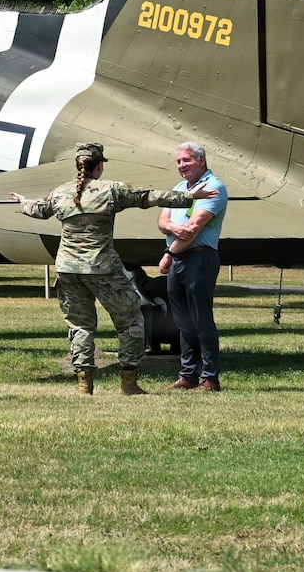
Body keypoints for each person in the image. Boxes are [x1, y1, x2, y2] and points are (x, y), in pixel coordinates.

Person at [15, 142, 209, 395]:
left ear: (77, 165)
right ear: (100, 166)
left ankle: (85, 385)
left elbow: (39, 210)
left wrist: (22, 202)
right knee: (130, 322)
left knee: (81, 327)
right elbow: (146, 197)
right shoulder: (111, 190)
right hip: (102, 268)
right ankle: (128, 383)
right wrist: (189, 197)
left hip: (68, 270)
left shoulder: (60, 192)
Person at [157, 141, 230, 392]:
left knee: (202, 320)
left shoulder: (214, 188)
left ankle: (210, 378)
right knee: (183, 322)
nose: (182, 165)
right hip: (179, 260)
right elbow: (162, 220)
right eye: (178, 161)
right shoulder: (179, 188)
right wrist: (173, 228)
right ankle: (188, 375)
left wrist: (168, 252)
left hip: (199, 259)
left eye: (186, 160)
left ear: (202, 161)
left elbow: (194, 229)